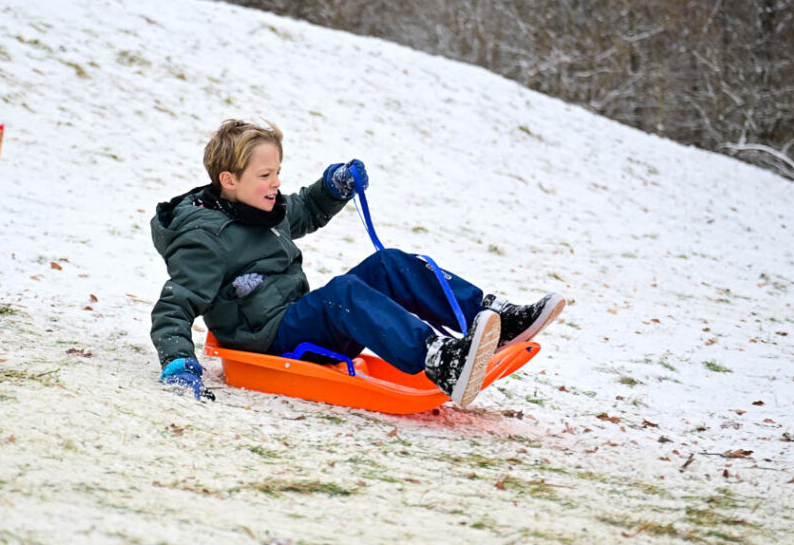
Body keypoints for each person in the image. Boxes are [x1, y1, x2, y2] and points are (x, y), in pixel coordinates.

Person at [150, 119, 566, 407]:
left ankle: (492, 316)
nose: (276, 182)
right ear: (228, 179)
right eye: (264, 175)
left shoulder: (261, 207)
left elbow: (305, 209)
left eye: (277, 171)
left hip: (295, 319)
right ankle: (440, 360)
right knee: (342, 295)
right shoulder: (205, 237)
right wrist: (177, 360)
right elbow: (177, 302)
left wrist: (332, 188)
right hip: (269, 339)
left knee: (387, 264)